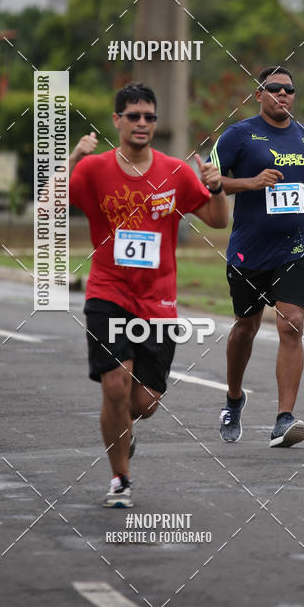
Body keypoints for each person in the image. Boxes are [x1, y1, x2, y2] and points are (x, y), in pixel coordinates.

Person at [69, 82, 228, 507]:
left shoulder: (175, 172)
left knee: (143, 403)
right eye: (134, 116)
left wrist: (216, 186)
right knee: (116, 386)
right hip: (107, 291)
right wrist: (73, 159)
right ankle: (120, 478)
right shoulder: (95, 169)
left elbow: (216, 220)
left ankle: (124, 433)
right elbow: (48, 204)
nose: (142, 123)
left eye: (150, 117)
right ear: (117, 120)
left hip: (158, 301)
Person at [209, 66, 304, 447]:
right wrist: (250, 182)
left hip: (296, 248)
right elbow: (208, 180)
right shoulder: (240, 135)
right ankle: (234, 398)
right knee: (245, 328)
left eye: (289, 89)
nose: (283, 95)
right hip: (248, 250)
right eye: (274, 88)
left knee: (291, 323)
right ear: (258, 94)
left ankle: (284, 419)